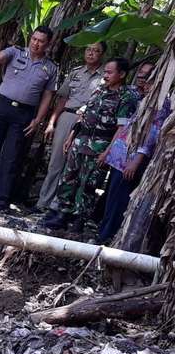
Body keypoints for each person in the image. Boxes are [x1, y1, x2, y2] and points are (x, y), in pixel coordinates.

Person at [43, 57, 139, 233]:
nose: (105, 75)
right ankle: (62, 214)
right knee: (69, 178)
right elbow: (83, 114)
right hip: (81, 141)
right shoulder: (99, 90)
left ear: (122, 74)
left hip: (100, 146)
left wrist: (108, 152)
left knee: (89, 183)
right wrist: (71, 136)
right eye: (105, 72)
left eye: (110, 72)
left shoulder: (126, 97)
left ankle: (80, 218)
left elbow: (121, 129)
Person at [0, 26, 58, 211]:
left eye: (41, 41)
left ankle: (2, 197)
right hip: (1, 106)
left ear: (48, 44)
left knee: (12, 155)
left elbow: (48, 95)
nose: (36, 43)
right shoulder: (15, 52)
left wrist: (38, 119)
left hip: (24, 113)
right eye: (34, 39)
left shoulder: (50, 68)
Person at [96, 62, 169, 243]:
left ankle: (107, 237)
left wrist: (137, 160)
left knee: (120, 199)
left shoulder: (160, 101)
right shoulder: (143, 97)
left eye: (146, 77)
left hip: (131, 160)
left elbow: (153, 133)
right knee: (112, 197)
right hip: (121, 156)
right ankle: (103, 233)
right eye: (141, 76)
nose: (142, 80)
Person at [35, 42, 106, 212]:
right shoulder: (76, 73)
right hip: (67, 116)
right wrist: (52, 122)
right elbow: (62, 99)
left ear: (102, 55)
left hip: (89, 122)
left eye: (96, 51)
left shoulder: (105, 76)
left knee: (76, 165)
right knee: (56, 161)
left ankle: (62, 206)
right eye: (88, 49)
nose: (91, 53)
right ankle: (44, 202)